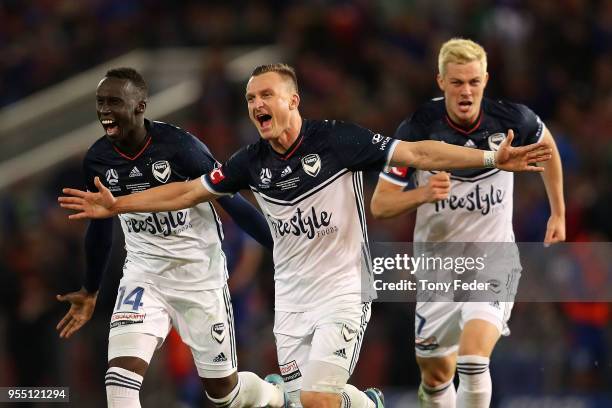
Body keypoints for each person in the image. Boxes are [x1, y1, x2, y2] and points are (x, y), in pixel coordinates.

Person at [58, 63, 552, 408]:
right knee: (304, 402)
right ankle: (367, 403)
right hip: (291, 301)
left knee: (316, 400)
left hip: (343, 290)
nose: (256, 105)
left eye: (265, 95)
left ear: (292, 100)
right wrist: (117, 205)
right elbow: (187, 193)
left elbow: (420, 153)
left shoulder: (338, 141)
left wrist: (489, 159)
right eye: (251, 98)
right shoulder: (249, 162)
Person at [55, 67, 290, 408]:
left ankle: (274, 396)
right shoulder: (98, 160)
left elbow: (232, 202)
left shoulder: (181, 148)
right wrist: (91, 289)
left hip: (199, 276)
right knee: (119, 381)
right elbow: (100, 226)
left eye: (114, 102)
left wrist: (281, 246)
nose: (105, 110)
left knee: (224, 394)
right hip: (144, 277)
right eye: (100, 102)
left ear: (140, 106)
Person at [370, 38, 565, 408]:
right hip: (438, 269)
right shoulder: (415, 130)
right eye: (457, 82)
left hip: (493, 261)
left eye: (474, 82)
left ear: (486, 79)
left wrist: (559, 211)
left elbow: (548, 147)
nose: (466, 91)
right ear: (440, 81)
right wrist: (422, 195)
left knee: (474, 360)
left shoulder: (511, 121)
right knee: (435, 377)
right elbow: (380, 205)